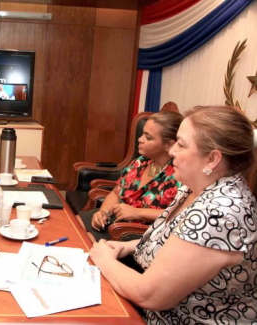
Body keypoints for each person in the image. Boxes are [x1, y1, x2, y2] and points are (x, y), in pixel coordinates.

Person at [90, 106, 257, 324]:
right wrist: (128, 246)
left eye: (181, 144)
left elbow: (148, 294)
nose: (171, 151)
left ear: (212, 159)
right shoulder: (194, 187)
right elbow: (175, 242)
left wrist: (104, 259)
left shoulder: (219, 213)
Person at [78, 111, 183, 241]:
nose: (140, 139)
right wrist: (103, 212)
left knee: (84, 240)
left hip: (136, 232)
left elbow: (180, 216)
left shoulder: (179, 175)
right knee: (73, 224)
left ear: (169, 145)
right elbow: (116, 193)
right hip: (115, 218)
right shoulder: (141, 162)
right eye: (143, 134)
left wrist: (137, 213)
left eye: (148, 137)